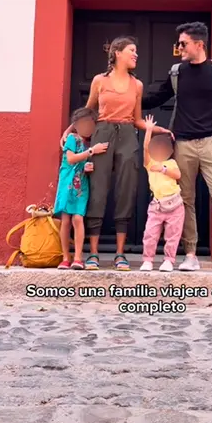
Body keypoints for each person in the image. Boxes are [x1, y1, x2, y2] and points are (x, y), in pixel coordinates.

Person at [143, 22, 212, 274]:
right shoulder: (177, 72)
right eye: (178, 43)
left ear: (199, 44)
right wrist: (127, 97)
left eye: (183, 43)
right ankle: (189, 254)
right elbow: (157, 97)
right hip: (183, 144)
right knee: (185, 200)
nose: (179, 48)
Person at [64, 36, 170, 271]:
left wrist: (156, 129)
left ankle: (120, 253)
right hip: (101, 133)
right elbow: (88, 110)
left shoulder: (137, 85)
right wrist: (71, 130)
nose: (136, 54)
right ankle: (93, 253)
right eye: (132, 50)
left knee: (126, 190)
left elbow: (138, 119)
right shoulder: (100, 81)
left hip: (127, 136)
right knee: (98, 190)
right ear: (118, 53)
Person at [55, 108, 103, 270]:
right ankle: (65, 257)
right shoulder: (72, 138)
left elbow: (81, 163)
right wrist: (91, 152)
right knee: (66, 220)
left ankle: (78, 257)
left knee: (77, 218)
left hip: (81, 186)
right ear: (75, 125)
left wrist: (87, 167)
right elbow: (70, 158)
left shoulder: (86, 143)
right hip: (67, 185)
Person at [139, 114, 184, 272]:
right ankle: (148, 260)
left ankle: (169, 260)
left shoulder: (171, 162)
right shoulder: (149, 162)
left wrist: (164, 169)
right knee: (150, 234)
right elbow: (145, 149)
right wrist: (149, 130)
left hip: (175, 204)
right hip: (157, 205)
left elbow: (178, 175)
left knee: (173, 235)